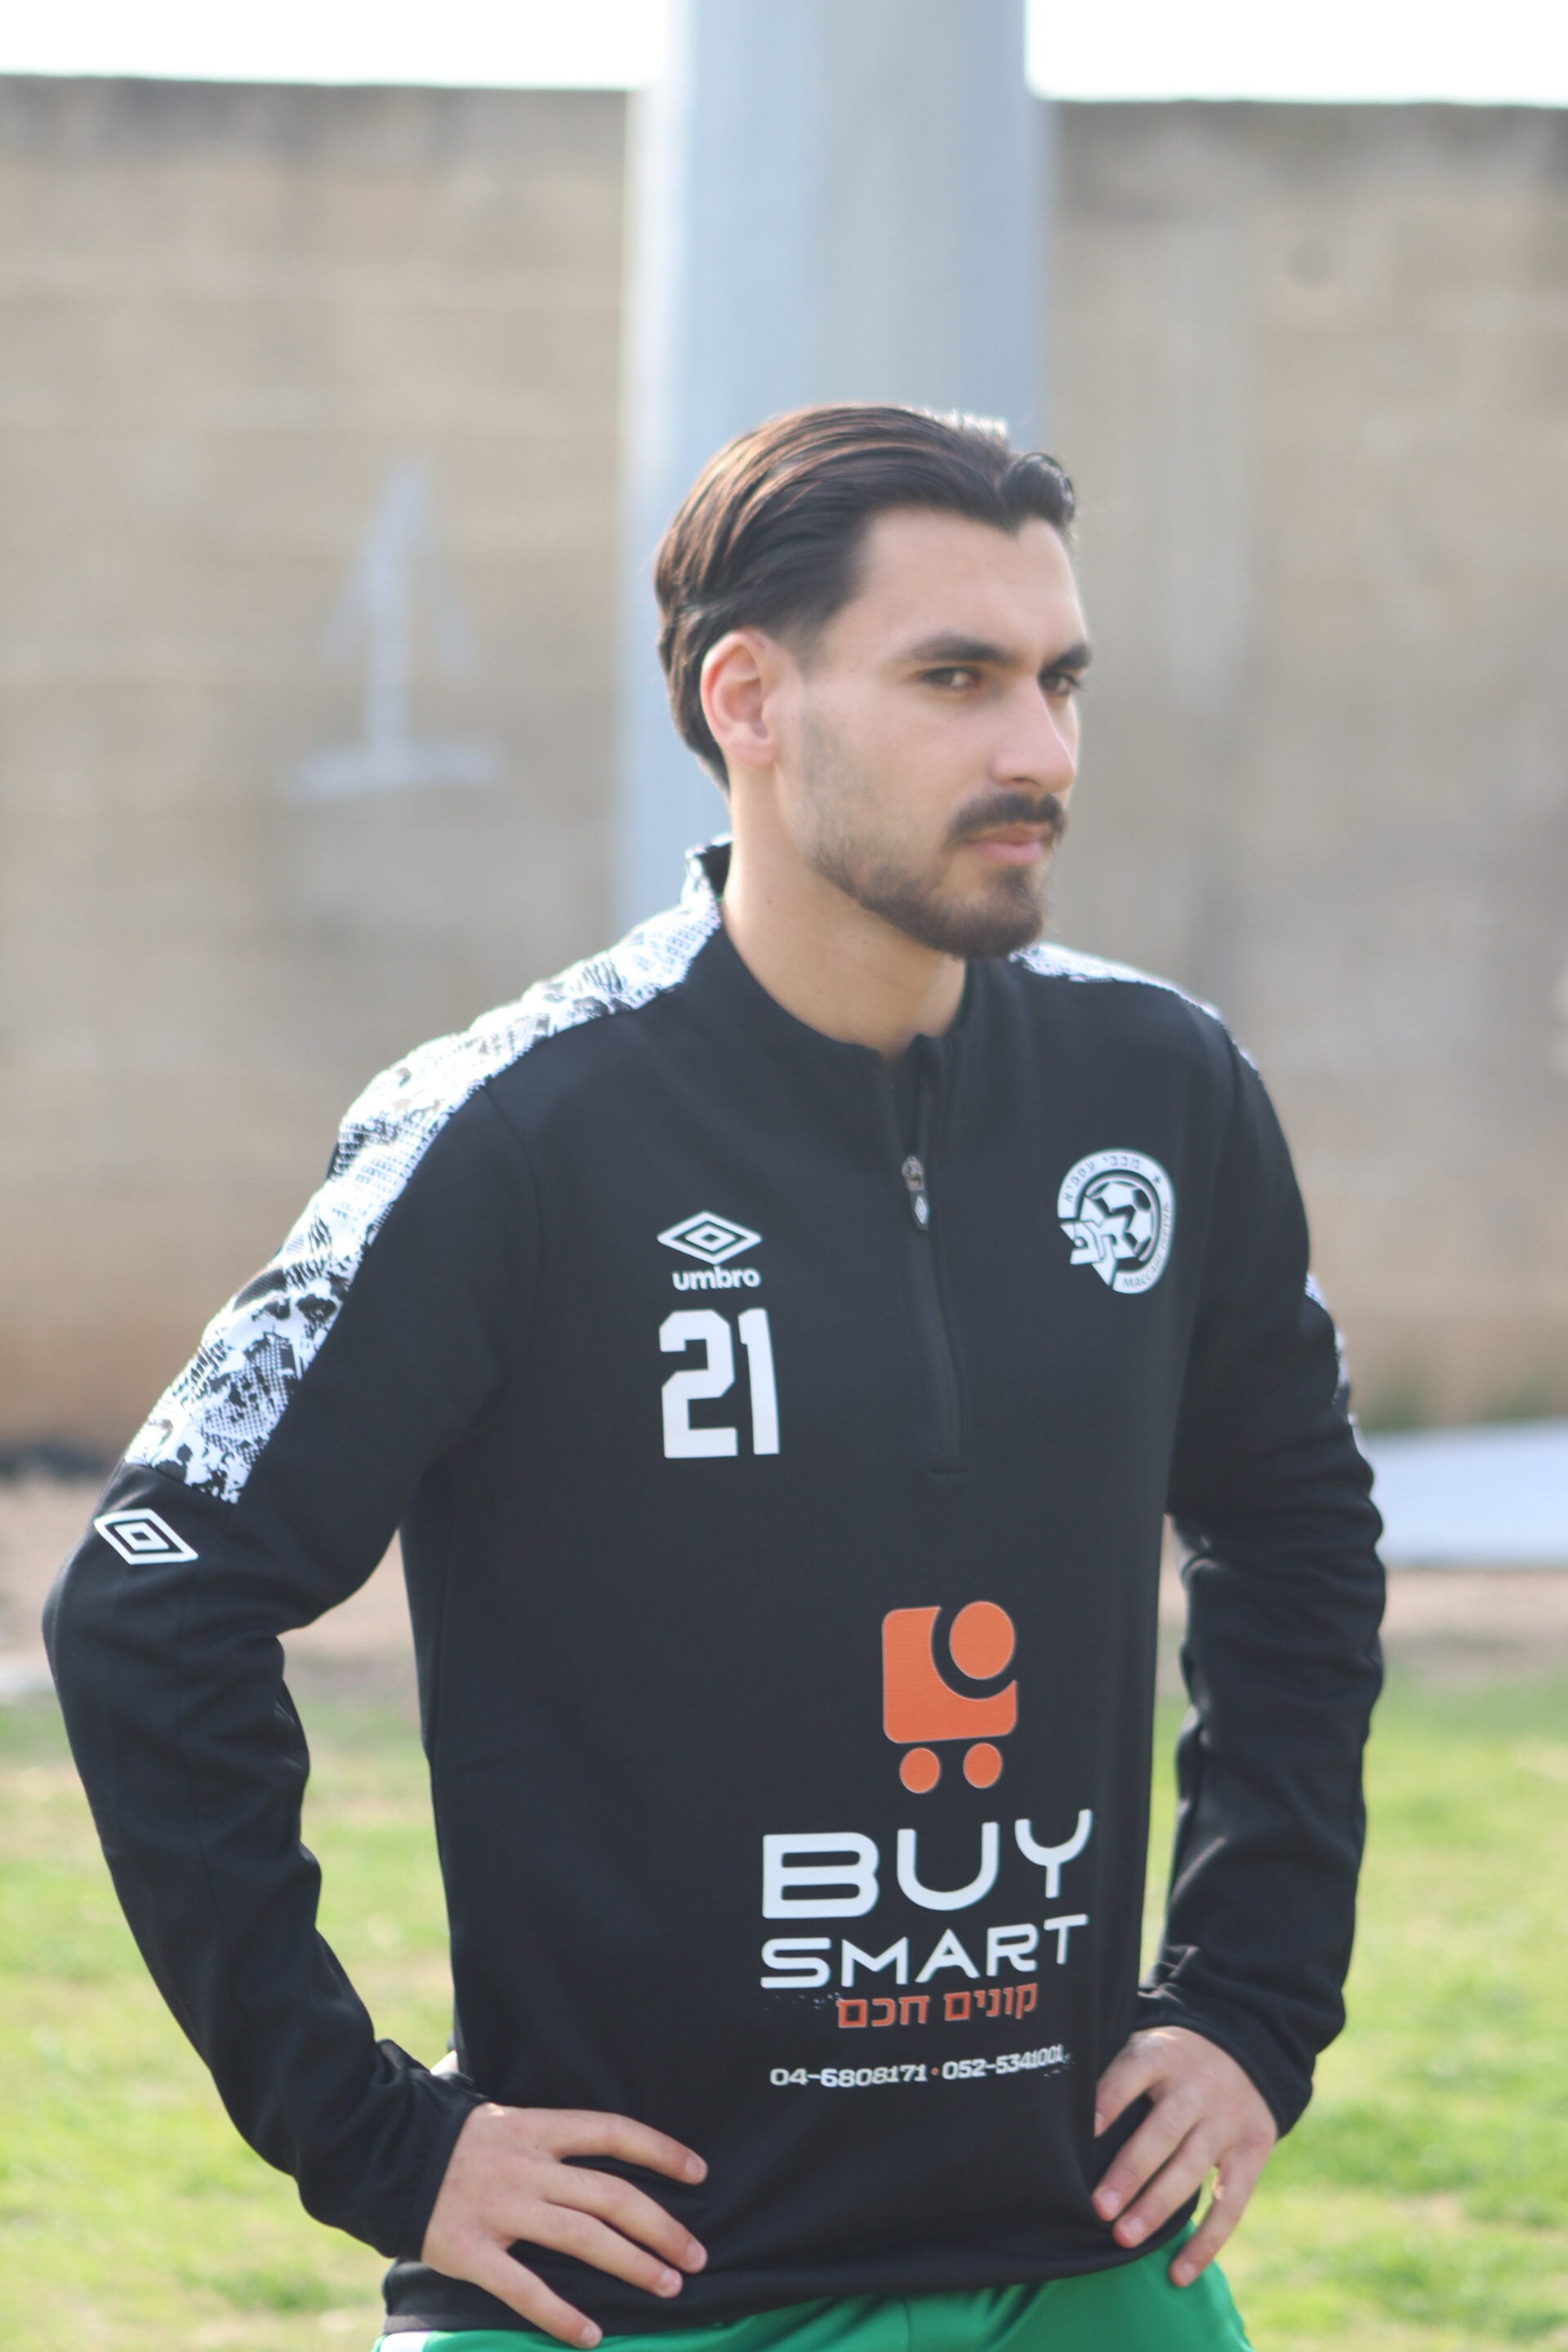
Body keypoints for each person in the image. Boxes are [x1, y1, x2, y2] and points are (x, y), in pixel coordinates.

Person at [47, 405, 1383, 2352]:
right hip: (642, 2294)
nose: (1041, 751)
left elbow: (1298, 1528)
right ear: (746, 697)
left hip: (1092, 2258)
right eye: (957, 679)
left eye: (1061, 680)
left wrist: (1256, 2001)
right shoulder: (511, 1132)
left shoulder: (1163, 1093)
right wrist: (374, 2135)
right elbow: (152, 1600)